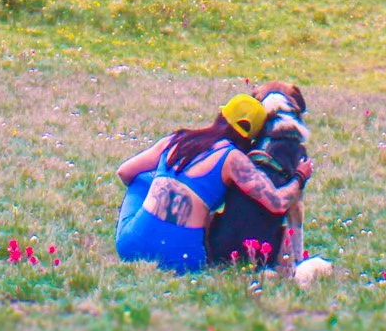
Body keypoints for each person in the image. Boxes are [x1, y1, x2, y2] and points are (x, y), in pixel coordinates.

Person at [115, 94, 308, 273]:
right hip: (184, 260)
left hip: (131, 247)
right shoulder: (233, 159)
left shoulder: (177, 139)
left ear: (221, 115)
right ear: (252, 138)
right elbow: (278, 203)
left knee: (143, 179)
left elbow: (124, 172)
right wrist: (299, 176)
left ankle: (148, 225)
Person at [205, 82, 309, 268]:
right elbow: (295, 208)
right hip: (262, 254)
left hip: (219, 248)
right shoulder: (293, 145)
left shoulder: (251, 146)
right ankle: (297, 262)